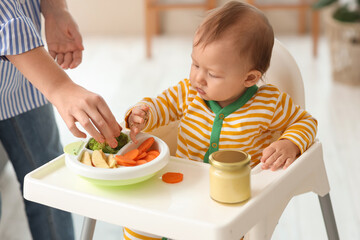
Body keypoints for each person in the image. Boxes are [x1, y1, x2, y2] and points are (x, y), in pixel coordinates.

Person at [123, 1, 317, 239]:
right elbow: (163, 105)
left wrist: (291, 143)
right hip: (181, 189)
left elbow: (306, 122)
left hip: (232, 205)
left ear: (250, 78)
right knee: (136, 226)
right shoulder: (188, 92)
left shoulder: (269, 103)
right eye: (195, 64)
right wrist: (143, 112)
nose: (198, 78)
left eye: (212, 74)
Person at [0, 0, 121, 239]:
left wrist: (55, 9)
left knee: (50, 186)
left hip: (24, 78)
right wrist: (59, 85)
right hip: (34, 69)